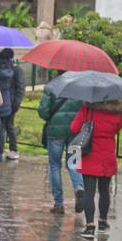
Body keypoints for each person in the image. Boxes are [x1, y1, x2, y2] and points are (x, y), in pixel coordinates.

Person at [69, 99, 122, 238]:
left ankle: (89, 227)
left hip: (90, 155)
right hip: (108, 155)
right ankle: (103, 222)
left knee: (89, 192)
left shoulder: (88, 109)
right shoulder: (118, 110)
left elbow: (74, 128)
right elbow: (118, 128)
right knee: (105, 191)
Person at [37, 83, 84, 215]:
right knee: (74, 163)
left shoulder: (52, 87)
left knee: (54, 165)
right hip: (76, 131)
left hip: (55, 133)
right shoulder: (81, 87)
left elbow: (43, 112)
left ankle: (59, 203)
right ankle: (79, 187)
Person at [0, 47, 25, 161]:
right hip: (7, 104)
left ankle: (5, 151)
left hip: (4, 104)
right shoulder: (11, 70)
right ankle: (4, 151)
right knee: (4, 128)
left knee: (4, 127)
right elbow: (20, 89)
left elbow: (19, 89)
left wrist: (15, 105)